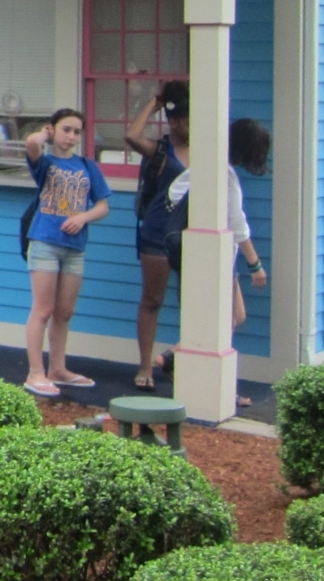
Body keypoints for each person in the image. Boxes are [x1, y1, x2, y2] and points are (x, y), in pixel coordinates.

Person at [166, 117, 269, 408]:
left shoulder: (208, 169)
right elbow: (238, 224)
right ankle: (214, 387)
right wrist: (255, 265)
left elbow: (174, 193)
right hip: (216, 257)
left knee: (234, 317)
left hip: (215, 256)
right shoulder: (223, 174)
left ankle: (172, 358)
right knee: (222, 321)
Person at [21, 108, 112, 396]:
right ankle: (35, 372)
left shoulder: (86, 166)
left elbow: (103, 206)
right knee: (43, 309)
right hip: (45, 242)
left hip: (74, 247)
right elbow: (31, 144)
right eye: (66, 129)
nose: (71, 136)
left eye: (77, 132)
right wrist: (44, 135)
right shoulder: (45, 163)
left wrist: (83, 217)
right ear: (53, 129)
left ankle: (57, 369)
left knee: (64, 312)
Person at [125, 81, 190, 389]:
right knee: (152, 300)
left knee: (192, 304)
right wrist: (154, 105)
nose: (192, 126)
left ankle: (180, 361)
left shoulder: (206, 147)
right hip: (157, 233)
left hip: (192, 235)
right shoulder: (162, 150)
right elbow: (132, 137)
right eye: (186, 120)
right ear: (173, 121)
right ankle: (145, 366)